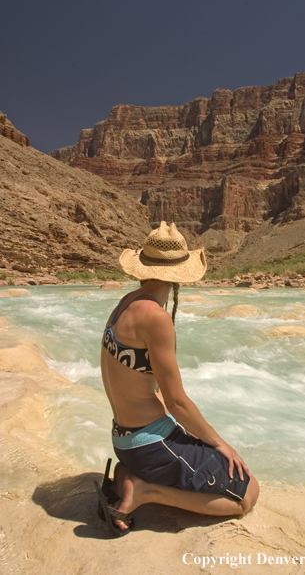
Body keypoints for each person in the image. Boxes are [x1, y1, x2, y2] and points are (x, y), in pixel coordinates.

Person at [98, 221, 260, 535]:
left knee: (207, 457)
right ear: (178, 276)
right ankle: (146, 492)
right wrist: (221, 444)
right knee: (246, 494)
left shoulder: (125, 304)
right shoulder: (156, 318)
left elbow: (139, 381)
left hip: (123, 439)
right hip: (150, 444)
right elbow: (177, 403)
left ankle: (128, 476)